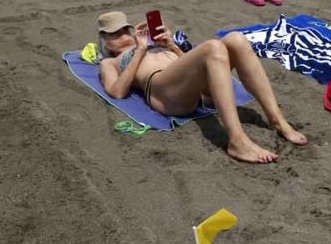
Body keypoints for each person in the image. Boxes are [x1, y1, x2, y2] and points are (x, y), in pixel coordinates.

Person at [96, 11, 306, 163]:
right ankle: (237, 141)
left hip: (193, 89)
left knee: (236, 39)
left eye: (126, 29)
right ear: (104, 41)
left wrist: (171, 46)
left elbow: (196, 64)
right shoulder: (110, 62)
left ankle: (278, 121)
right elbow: (117, 91)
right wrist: (140, 50)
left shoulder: (154, 44)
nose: (123, 35)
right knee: (213, 46)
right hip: (163, 92)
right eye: (114, 34)